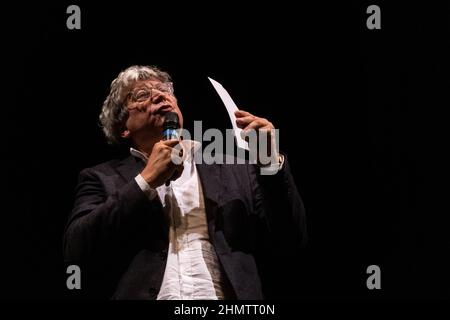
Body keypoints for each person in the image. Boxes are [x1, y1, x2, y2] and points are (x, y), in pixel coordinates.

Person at [63, 65, 307, 300]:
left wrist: (269, 162)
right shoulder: (100, 177)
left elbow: (291, 239)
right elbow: (76, 249)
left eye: (165, 90)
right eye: (141, 94)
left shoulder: (235, 169)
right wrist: (145, 181)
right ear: (123, 127)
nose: (159, 95)